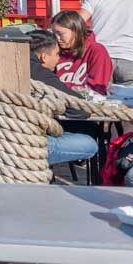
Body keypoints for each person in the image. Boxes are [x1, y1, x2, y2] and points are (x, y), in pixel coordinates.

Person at [27, 29, 99, 166]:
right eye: (57, 54)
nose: (58, 59)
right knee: (89, 144)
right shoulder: (41, 74)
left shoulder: (5, 67)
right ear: (43, 57)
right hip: (28, 144)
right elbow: (80, 109)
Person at [49, 9, 113, 96]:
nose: (57, 38)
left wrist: (60, 87)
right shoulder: (55, 50)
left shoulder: (96, 51)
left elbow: (96, 89)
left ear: (76, 31)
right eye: (54, 33)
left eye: (60, 34)